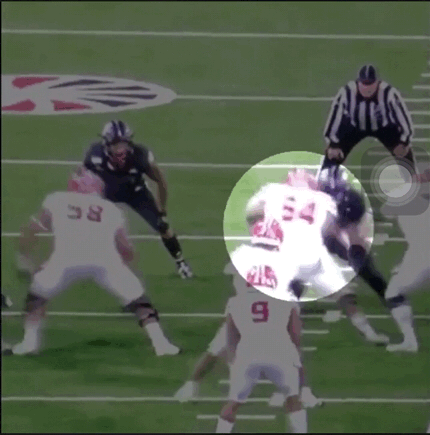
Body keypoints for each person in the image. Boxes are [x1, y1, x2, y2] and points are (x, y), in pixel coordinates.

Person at [8, 168, 179, 356]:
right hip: (104, 261)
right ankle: (161, 344)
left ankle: (29, 343)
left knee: (37, 296)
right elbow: (126, 249)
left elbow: (33, 229)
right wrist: (129, 274)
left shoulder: (57, 199)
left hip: (66, 259)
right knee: (140, 302)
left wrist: (25, 258)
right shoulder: (111, 209)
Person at [215, 235, 307, 433]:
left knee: (232, 404)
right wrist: (297, 357)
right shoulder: (284, 297)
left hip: (248, 352)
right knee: (293, 400)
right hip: (279, 350)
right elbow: (295, 334)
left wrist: (232, 359)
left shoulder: (236, 302)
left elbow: (231, 334)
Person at [83, 120, 193, 279]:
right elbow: (84, 181)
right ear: (106, 144)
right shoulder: (94, 156)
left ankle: (181, 263)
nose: (120, 149)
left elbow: (161, 181)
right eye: (116, 145)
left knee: (162, 226)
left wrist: (162, 213)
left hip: (135, 192)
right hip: (107, 192)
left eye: (123, 144)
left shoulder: (139, 156)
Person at [320, 64, 415, 185]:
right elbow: (335, 118)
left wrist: (404, 142)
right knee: (334, 152)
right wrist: (333, 144)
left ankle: (412, 179)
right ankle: (326, 178)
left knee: (403, 151)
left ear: (377, 83)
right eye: (364, 84)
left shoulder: (388, 93)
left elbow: (403, 119)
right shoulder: (347, 92)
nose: (367, 88)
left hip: (383, 127)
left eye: (370, 84)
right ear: (358, 82)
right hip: (354, 126)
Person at [384, 166, 430, 352]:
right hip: (418, 254)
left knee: (394, 293)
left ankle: (410, 342)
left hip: (422, 256)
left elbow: (387, 210)